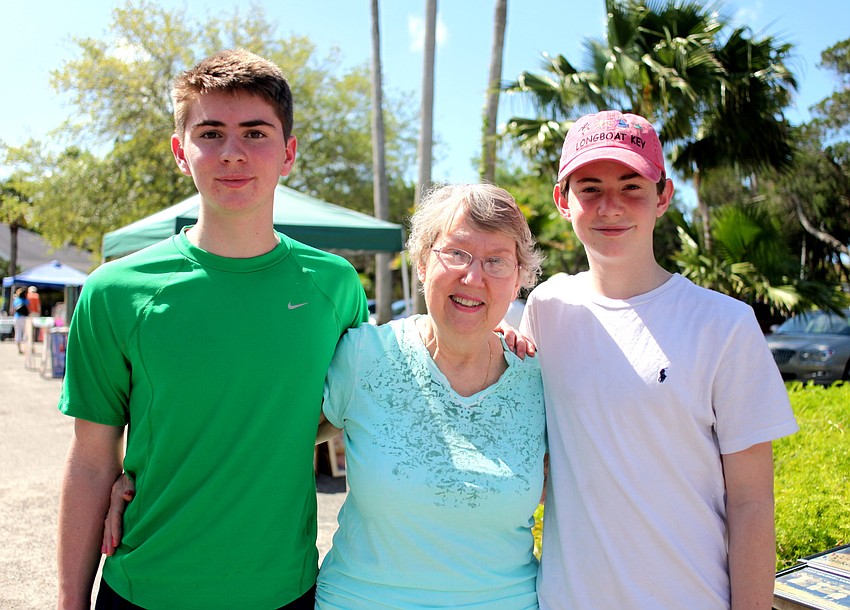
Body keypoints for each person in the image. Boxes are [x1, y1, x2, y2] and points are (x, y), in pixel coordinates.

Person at [104, 184, 548, 609]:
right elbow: (260, 427)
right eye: (456, 253)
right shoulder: (365, 356)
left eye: (497, 261)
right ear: (421, 264)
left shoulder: (543, 380)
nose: (474, 275)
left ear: (519, 281)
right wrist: (140, 480)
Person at [57, 49, 367, 610]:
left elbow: (346, 410)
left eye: (255, 133)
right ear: (182, 152)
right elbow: (91, 458)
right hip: (143, 588)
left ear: (288, 153)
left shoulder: (335, 286)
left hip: (284, 590)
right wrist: (69, 603)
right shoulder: (114, 290)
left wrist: (501, 343)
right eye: (210, 133)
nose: (232, 153)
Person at [521, 110, 799, 610]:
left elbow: (752, 502)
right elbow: (529, 461)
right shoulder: (546, 308)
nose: (611, 207)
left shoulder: (725, 324)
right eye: (590, 188)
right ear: (563, 200)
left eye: (632, 186)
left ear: (663, 196)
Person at [12, 287, 29, 354]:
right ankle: (26, 349)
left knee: (18, 333)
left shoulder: (16, 300)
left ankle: (19, 349)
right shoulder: (26, 301)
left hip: (17, 318)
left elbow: (13, 310)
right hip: (24, 318)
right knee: (26, 334)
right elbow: (29, 309)